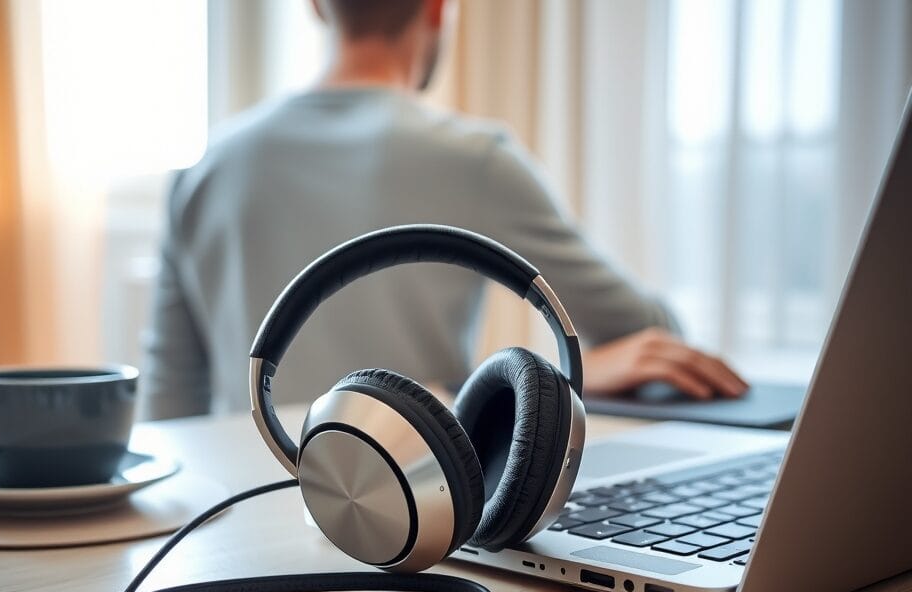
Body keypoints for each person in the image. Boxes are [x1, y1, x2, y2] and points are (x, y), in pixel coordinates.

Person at [141, 0, 747, 421]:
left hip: (245, 510)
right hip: (413, 509)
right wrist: (556, 377)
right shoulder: (475, 159)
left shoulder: (204, 169)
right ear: (436, 9)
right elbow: (658, 340)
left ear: (318, 7)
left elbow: (170, 408)